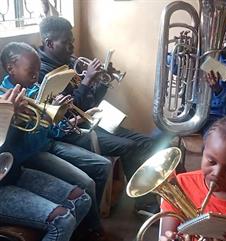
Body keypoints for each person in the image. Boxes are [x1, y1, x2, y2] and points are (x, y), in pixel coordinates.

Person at [37, 16, 158, 212]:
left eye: (72, 42)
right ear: (49, 43)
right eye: (66, 43)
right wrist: (85, 83)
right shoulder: (43, 72)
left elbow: (91, 102)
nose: (71, 47)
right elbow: (68, 111)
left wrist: (101, 81)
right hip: (73, 130)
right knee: (130, 146)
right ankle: (143, 203)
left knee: (147, 142)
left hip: (90, 119)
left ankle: (149, 195)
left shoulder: (68, 62)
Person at [0, 42, 114, 241]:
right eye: (31, 71)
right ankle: (92, 232)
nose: (36, 77)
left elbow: (48, 130)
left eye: (37, 71)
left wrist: (60, 116)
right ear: (11, 68)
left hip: (24, 161)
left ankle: (86, 233)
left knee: (83, 197)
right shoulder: (5, 99)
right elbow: (15, 149)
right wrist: (13, 118)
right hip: (28, 155)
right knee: (65, 214)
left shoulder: (33, 89)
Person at [0, 85, 91, 241]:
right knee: (62, 221)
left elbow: (18, 153)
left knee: (82, 200)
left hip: (14, 172)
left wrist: (16, 121)